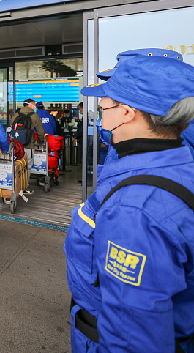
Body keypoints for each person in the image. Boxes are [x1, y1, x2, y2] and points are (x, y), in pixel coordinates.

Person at [65, 54, 194, 353]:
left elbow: (135, 336)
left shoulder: (135, 209)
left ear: (127, 113)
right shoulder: (174, 167)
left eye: (104, 107)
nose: (99, 114)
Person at [12, 98, 45, 192]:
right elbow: (40, 131)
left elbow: (12, 127)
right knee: (27, 166)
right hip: (28, 145)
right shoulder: (34, 116)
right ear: (30, 105)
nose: (35, 107)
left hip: (17, 146)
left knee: (16, 166)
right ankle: (24, 187)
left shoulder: (16, 115)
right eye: (34, 105)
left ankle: (15, 186)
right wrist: (40, 141)